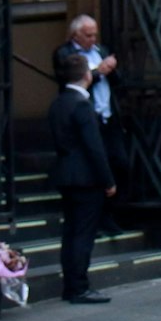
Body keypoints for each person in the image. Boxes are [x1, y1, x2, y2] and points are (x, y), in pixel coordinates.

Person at [48, 49, 116, 304]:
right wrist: (108, 180)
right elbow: (94, 147)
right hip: (86, 177)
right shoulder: (82, 105)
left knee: (70, 232)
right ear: (87, 75)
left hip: (65, 174)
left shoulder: (58, 103)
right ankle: (79, 286)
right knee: (83, 234)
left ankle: (71, 285)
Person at [53, 14, 130, 234]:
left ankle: (112, 212)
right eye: (88, 35)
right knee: (95, 165)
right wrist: (98, 72)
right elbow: (68, 81)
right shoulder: (65, 53)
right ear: (75, 35)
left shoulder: (100, 51)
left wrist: (112, 69)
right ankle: (97, 217)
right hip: (86, 117)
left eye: (95, 35)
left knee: (120, 163)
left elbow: (118, 81)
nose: (93, 39)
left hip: (108, 116)